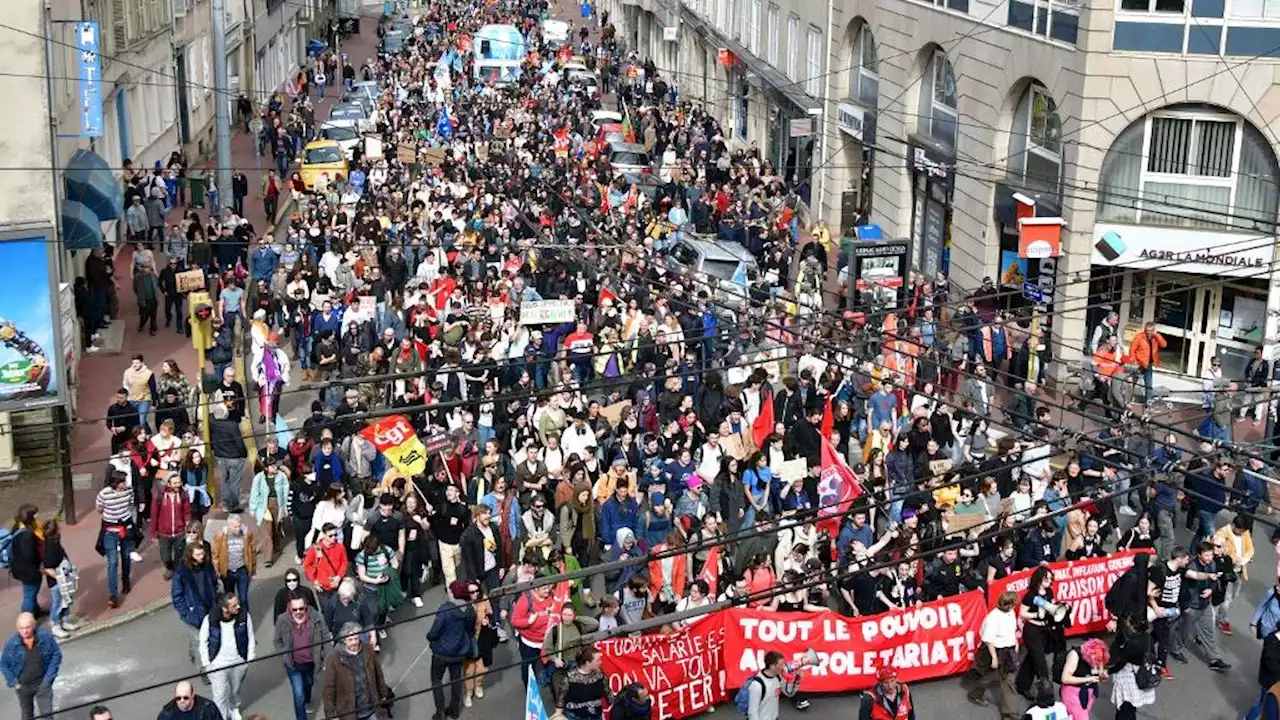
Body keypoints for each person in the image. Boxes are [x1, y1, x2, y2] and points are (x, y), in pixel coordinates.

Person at [274, 591, 333, 720]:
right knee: (298, 693)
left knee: (309, 684)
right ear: (290, 607)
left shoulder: (317, 617)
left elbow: (327, 638)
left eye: (301, 608)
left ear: (306, 605)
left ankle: (307, 700)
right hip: (293, 665)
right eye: (295, 609)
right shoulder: (282, 620)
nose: (298, 611)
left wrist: (326, 659)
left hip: (312, 663)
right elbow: (277, 641)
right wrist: (284, 656)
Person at [320, 621, 393, 720]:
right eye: (350, 640)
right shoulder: (334, 658)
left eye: (356, 638)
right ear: (344, 641)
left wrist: (383, 693)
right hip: (350, 713)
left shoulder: (368, 649)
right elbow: (329, 689)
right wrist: (331, 714)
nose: (354, 642)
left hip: (371, 708)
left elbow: (378, 673)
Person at [199, 594, 254, 720]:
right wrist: (207, 663)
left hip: (238, 660)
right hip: (217, 663)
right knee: (219, 695)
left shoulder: (244, 616)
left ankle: (234, 708)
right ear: (224, 608)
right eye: (234, 605)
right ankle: (221, 716)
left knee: (235, 690)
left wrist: (249, 658)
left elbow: (250, 636)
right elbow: (203, 641)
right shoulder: (210, 619)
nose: (238, 607)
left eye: (238, 603)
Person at [426, 581, 477, 720]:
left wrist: (430, 638)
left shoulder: (445, 609)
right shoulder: (469, 609)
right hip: (459, 651)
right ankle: (455, 709)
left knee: (436, 680)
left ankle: (440, 712)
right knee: (456, 679)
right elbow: (470, 629)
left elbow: (434, 632)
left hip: (441, 652)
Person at [0, 612, 61, 720]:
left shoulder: (45, 637)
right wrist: (14, 682)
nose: (25, 631)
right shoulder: (12, 643)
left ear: (33, 625)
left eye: (27, 627)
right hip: (23, 686)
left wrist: (48, 679)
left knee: (47, 715)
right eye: (21, 628)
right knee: (27, 715)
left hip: (42, 683)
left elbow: (56, 654)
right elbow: (4, 664)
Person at [968, 590, 1019, 718]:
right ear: (1009, 605)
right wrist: (994, 658)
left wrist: (1015, 642)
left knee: (1008, 681)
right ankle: (975, 694)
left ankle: (1010, 713)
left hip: (1008, 649)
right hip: (996, 651)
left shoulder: (1010, 613)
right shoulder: (993, 618)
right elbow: (988, 639)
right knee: (989, 677)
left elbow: (1011, 629)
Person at [95, 472, 138, 608]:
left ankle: (126, 582)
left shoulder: (129, 491)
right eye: (122, 482)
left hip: (125, 527)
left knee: (126, 556)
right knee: (112, 561)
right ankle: (113, 594)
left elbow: (131, 504)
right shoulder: (104, 494)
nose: (125, 484)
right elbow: (99, 508)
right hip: (110, 530)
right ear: (115, 483)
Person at [211, 514, 258, 615]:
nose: (238, 529)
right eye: (235, 526)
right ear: (229, 525)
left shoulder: (246, 534)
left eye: (239, 526)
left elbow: (252, 553)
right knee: (229, 599)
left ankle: (244, 619)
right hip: (227, 572)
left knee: (243, 599)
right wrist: (217, 570)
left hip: (242, 570)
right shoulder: (221, 536)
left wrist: (253, 570)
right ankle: (232, 617)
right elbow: (215, 554)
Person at [553, 646, 614, 720]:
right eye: (597, 660)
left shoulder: (600, 674)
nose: (600, 662)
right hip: (574, 717)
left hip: (596, 716)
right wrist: (558, 716)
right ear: (588, 663)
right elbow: (560, 701)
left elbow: (608, 694)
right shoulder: (569, 678)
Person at [1058, 638, 1109, 719]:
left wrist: (1102, 676)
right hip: (1072, 693)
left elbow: (1099, 673)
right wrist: (1089, 679)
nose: (1096, 664)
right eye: (1095, 660)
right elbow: (1065, 678)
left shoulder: (1099, 656)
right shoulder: (1075, 655)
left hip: (1089, 693)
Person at [743, 650, 801, 720]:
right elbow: (752, 712)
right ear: (772, 666)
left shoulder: (778, 677)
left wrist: (797, 679)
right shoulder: (757, 685)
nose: (784, 667)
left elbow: (789, 693)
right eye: (781, 665)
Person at [8, 505, 43, 615]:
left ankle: (35, 611)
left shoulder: (17, 526)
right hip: (29, 571)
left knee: (30, 592)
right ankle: (26, 617)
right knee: (30, 594)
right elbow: (30, 555)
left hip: (19, 567)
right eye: (35, 514)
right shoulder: (27, 535)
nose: (38, 516)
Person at [304, 521, 349, 606]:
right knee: (326, 611)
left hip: (337, 585)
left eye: (335, 535)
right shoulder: (316, 548)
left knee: (338, 609)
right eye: (330, 536)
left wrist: (339, 577)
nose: (334, 538)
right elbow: (307, 565)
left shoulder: (340, 547)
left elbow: (344, 562)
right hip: (322, 587)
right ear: (324, 535)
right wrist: (314, 581)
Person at [156, 681, 224, 720]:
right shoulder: (166, 714)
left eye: (186, 698)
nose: (182, 701)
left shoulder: (208, 708)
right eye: (178, 698)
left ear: (192, 695)